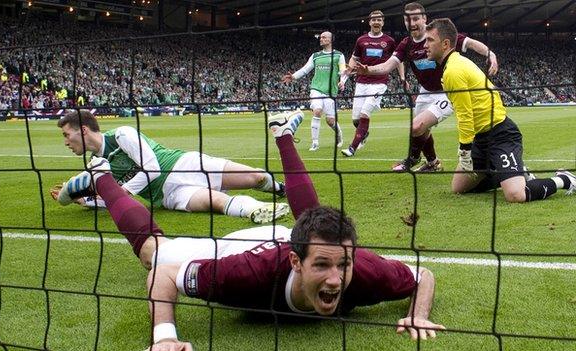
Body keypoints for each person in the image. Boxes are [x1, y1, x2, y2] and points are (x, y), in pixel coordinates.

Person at [57, 109, 445, 350]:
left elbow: (422, 275)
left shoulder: (360, 269)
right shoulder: (244, 274)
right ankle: (103, 177)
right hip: (246, 250)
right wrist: (165, 337)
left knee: (313, 225)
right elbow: (163, 275)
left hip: (285, 242)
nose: (336, 279)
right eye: (324, 267)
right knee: (153, 254)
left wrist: (418, 313)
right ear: (295, 263)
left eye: (341, 265)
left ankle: (283, 136)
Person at [424, 18, 575, 202]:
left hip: (500, 135)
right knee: (458, 188)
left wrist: (464, 151)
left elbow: (465, 115)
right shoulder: (455, 64)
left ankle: (564, 179)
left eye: (430, 40)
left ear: (445, 43)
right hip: (481, 139)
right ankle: (510, 174)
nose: (425, 45)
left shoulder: (453, 71)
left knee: (515, 195)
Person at [52, 110, 289, 224]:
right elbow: (114, 198)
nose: (65, 143)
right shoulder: (97, 166)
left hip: (183, 165)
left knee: (256, 178)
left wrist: (123, 191)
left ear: (83, 130)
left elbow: (152, 168)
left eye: (66, 135)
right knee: (214, 202)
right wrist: (88, 201)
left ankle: (280, 189)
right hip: (168, 195)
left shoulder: (122, 134)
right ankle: (257, 210)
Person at [360, 2, 499, 172]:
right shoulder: (406, 44)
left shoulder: (437, 35)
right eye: (407, 19)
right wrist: (368, 69)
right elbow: (387, 66)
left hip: (446, 90)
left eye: (416, 18)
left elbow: (470, 43)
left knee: (417, 126)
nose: (412, 23)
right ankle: (433, 163)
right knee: (420, 130)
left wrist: (490, 54)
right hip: (425, 91)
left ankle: (412, 158)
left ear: (424, 18)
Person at [342, 10, 404, 157]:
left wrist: (402, 78)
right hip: (361, 82)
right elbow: (354, 58)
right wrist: (349, 69)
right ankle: (364, 132)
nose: (376, 22)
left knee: (364, 114)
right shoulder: (361, 40)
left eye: (379, 20)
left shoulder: (389, 41)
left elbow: (398, 60)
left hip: (379, 82)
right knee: (356, 119)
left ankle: (352, 148)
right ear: (369, 22)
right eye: (374, 20)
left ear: (383, 23)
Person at [282, 31, 346, 152]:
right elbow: (306, 69)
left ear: (331, 40)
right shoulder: (315, 55)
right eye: (320, 37)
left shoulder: (339, 55)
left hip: (331, 92)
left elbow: (343, 70)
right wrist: (294, 76)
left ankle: (339, 134)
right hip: (316, 88)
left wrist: (342, 81)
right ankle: (315, 143)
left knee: (330, 121)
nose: (321, 39)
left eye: (324, 37)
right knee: (317, 111)